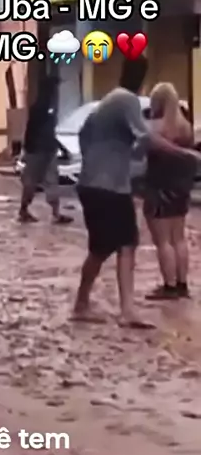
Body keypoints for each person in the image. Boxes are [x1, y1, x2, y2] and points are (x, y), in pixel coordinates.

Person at [72, 56, 201, 327]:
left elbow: (84, 134)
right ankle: (115, 309)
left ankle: (93, 305)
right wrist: (186, 155)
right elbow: (147, 138)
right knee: (118, 245)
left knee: (109, 246)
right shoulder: (127, 100)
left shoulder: (108, 102)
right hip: (109, 186)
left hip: (97, 183)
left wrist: (99, 160)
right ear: (143, 80)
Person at [143, 83, 196, 300]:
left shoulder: (156, 127)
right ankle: (182, 284)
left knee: (163, 241)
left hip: (159, 187)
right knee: (178, 238)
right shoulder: (186, 127)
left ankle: (169, 285)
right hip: (181, 188)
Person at [18, 76, 73, 225]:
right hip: (37, 151)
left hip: (47, 150)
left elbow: (49, 133)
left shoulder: (48, 108)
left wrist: (60, 147)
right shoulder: (40, 108)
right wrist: (29, 150)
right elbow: (35, 131)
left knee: (51, 181)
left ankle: (55, 213)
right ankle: (23, 210)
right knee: (31, 182)